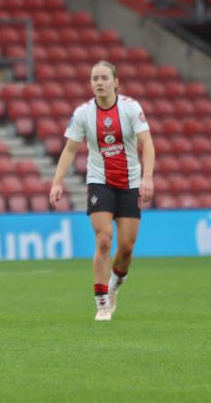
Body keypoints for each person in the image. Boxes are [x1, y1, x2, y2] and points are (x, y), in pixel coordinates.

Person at [48, 60, 155, 322]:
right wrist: (57, 181)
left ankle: (115, 286)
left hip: (130, 182)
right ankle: (102, 303)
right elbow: (70, 149)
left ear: (116, 82)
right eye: (95, 78)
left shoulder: (131, 108)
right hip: (99, 182)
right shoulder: (83, 113)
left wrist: (148, 178)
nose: (99, 82)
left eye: (104, 77)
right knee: (104, 239)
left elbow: (147, 144)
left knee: (127, 248)